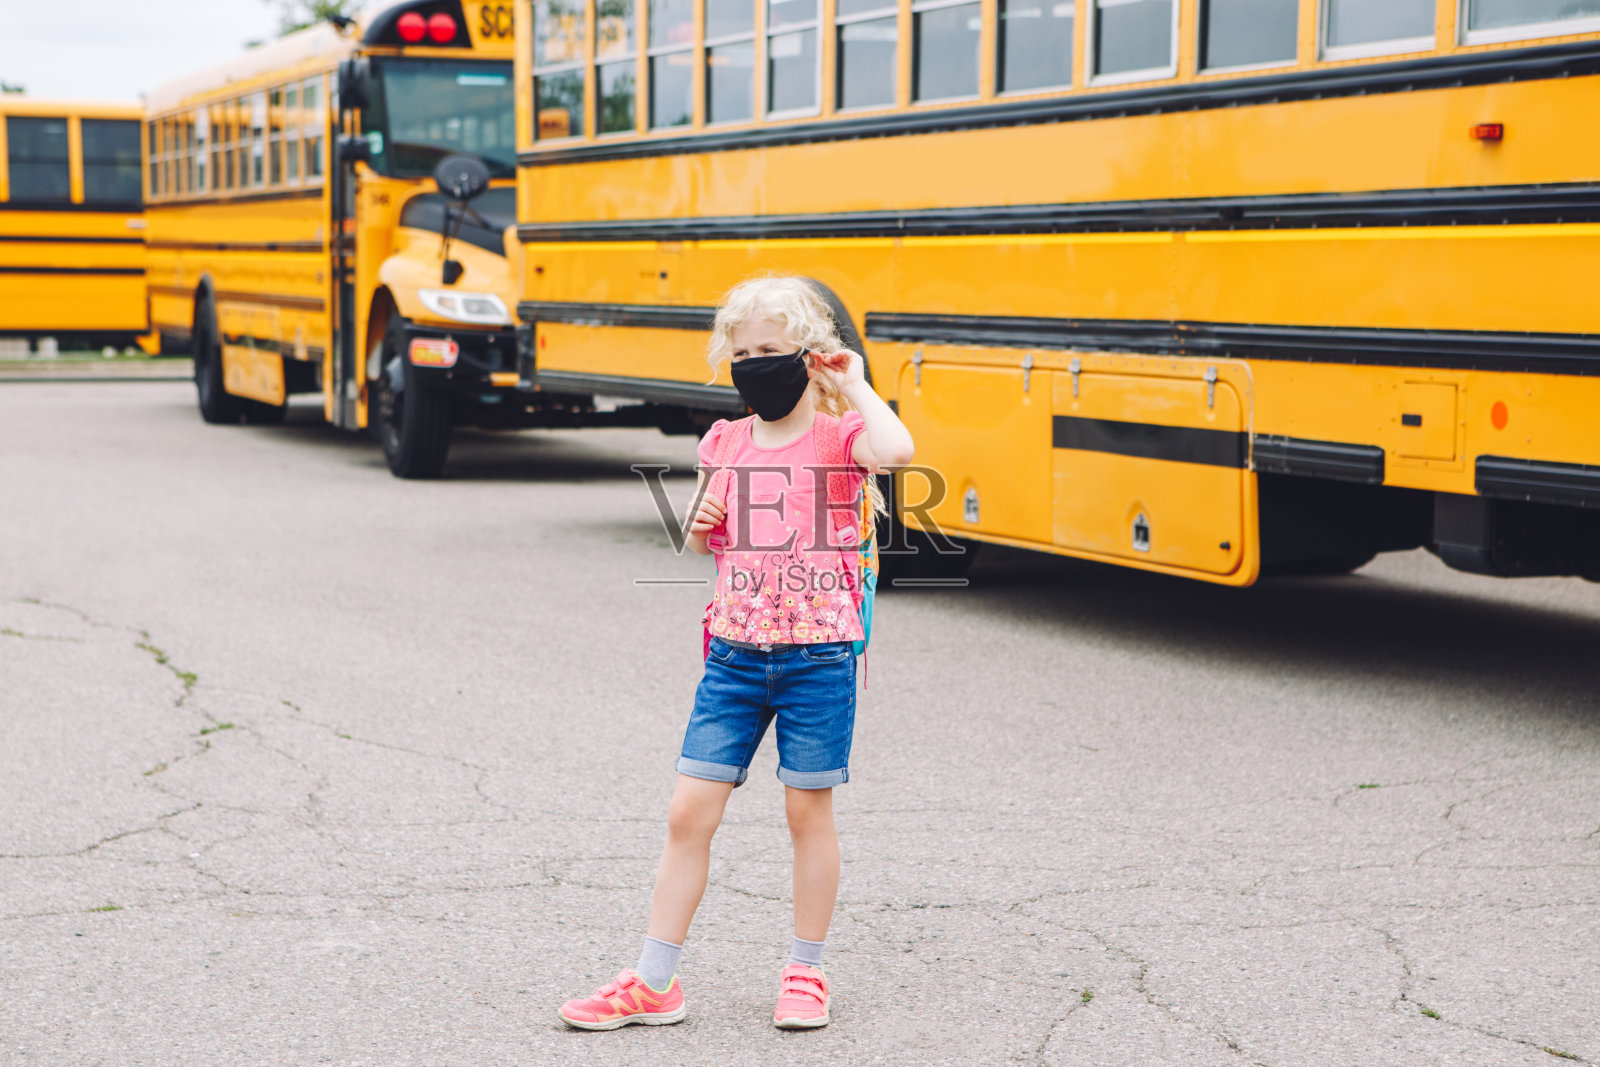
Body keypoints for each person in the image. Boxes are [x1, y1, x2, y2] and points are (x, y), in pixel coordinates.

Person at [557, 275, 915, 1032]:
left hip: (819, 657)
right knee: (688, 812)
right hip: (734, 657)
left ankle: (806, 971)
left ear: (808, 355)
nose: (754, 365)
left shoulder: (838, 436)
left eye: (770, 351)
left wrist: (853, 384)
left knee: (806, 813)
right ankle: (654, 982)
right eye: (742, 353)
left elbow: (897, 449)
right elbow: (704, 540)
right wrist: (699, 518)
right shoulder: (724, 441)